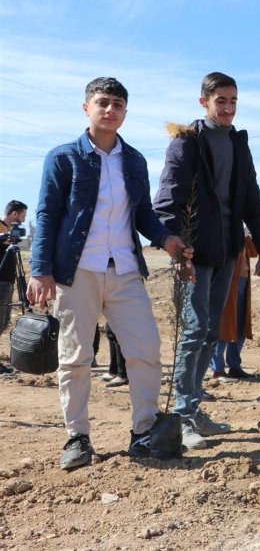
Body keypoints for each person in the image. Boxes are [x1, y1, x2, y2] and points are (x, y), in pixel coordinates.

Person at [27, 77, 193, 470]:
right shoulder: (63, 157)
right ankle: (77, 437)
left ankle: (144, 433)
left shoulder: (134, 160)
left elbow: (143, 215)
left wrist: (167, 240)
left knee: (145, 351)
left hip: (124, 269)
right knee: (75, 357)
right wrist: (40, 269)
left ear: (125, 112)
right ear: (86, 107)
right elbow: (48, 214)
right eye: (102, 102)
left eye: (118, 104)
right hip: (76, 271)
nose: (110, 109)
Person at [153, 72, 260, 451]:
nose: (228, 107)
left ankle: (195, 408)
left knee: (211, 332)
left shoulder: (239, 144)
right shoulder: (186, 144)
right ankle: (184, 415)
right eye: (221, 100)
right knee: (193, 331)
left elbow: (252, 198)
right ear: (203, 101)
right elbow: (167, 201)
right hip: (195, 254)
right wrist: (177, 249)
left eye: (233, 100)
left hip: (228, 252)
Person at [211, 231, 258, 381]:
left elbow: (254, 252)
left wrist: (249, 235)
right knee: (224, 325)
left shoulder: (242, 230)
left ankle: (234, 366)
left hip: (242, 279)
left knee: (240, 326)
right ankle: (218, 370)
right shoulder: (225, 225)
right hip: (227, 279)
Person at [0, 200, 27, 336]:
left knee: (5, 322)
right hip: (2, 281)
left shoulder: (11, 232)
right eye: (23, 216)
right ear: (14, 214)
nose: (24, 220)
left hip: (9, 281)